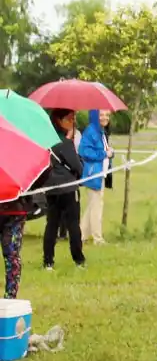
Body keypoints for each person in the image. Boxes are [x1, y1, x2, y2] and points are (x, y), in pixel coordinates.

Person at [42, 109, 86, 271]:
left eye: (73, 118)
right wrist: (71, 144)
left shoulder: (47, 141)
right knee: (73, 224)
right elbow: (78, 167)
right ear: (59, 121)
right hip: (68, 189)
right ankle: (79, 260)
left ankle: (48, 261)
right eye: (69, 119)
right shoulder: (66, 143)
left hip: (51, 188)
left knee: (51, 224)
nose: (72, 122)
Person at [78, 109, 111, 245]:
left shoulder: (101, 132)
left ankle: (80, 235)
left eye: (107, 115)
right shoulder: (91, 131)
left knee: (93, 204)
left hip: (100, 174)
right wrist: (104, 154)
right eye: (101, 115)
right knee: (97, 206)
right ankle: (98, 238)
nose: (105, 118)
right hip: (93, 174)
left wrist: (109, 152)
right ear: (95, 116)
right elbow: (84, 151)